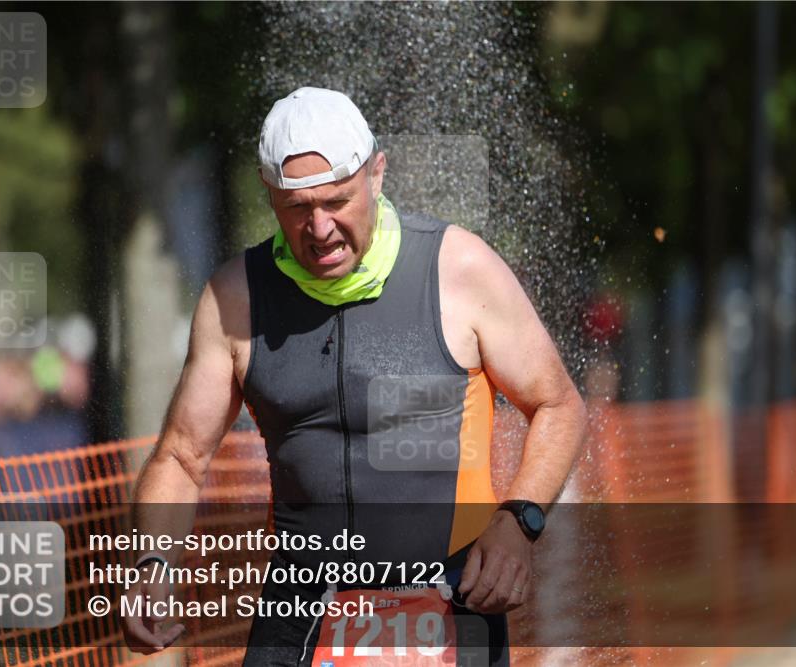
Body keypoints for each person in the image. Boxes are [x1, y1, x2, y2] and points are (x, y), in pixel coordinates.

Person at [122, 87, 587, 665]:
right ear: (270, 197)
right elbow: (181, 457)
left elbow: (558, 406)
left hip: (446, 610)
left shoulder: (460, 271)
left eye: (337, 201)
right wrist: (152, 563)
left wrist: (520, 521)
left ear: (376, 176)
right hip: (299, 616)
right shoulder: (234, 299)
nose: (319, 228)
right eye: (297, 208)